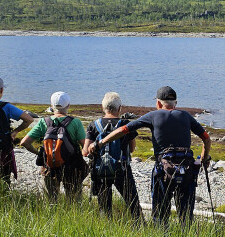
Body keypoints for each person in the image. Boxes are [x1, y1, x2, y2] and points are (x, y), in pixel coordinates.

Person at [95, 86, 211, 227]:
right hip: (186, 169)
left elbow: (123, 130)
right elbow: (206, 138)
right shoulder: (186, 116)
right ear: (176, 103)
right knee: (186, 214)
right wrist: (204, 159)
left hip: (163, 169)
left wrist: (101, 142)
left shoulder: (153, 116)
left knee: (160, 213)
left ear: (158, 103)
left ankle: (161, 233)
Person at [82, 92, 140, 219]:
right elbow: (131, 149)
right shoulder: (126, 125)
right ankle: (139, 227)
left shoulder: (93, 125)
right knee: (133, 203)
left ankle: (105, 228)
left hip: (100, 170)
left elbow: (85, 151)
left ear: (103, 108)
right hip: (122, 169)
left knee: (104, 207)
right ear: (120, 108)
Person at [20, 91, 87, 200]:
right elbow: (85, 146)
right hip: (72, 167)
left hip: (50, 166)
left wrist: (39, 153)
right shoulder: (76, 123)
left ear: (52, 106)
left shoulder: (43, 122)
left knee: (50, 201)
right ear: (68, 105)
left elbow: (24, 142)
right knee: (74, 200)